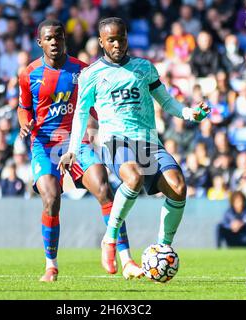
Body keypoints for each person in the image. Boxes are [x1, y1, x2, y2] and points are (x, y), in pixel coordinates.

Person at [59, 17, 210, 275]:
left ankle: (162, 249)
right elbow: (81, 115)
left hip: (148, 140)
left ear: (127, 38)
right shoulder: (91, 75)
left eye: (121, 38)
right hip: (115, 140)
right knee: (133, 177)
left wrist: (189, 114)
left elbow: (167, 102)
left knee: (178, 187)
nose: (117, 44)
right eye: (111, 40)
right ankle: (110, 238)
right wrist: (72, 149)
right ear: (101, 42)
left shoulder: (144, 67)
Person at [17, 19, 141, 282]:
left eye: (58, 37)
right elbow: (23, 107)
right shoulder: (29, 74)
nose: (54, 42)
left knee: (104, 188)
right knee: (51, 199)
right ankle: (51, 265)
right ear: (40, 42)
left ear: (65, 39)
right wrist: (24, 123)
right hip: (45, 144)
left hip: (76, 143)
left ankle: (126, 258)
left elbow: (96, 105)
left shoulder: (83, 71)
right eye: (49, 38)